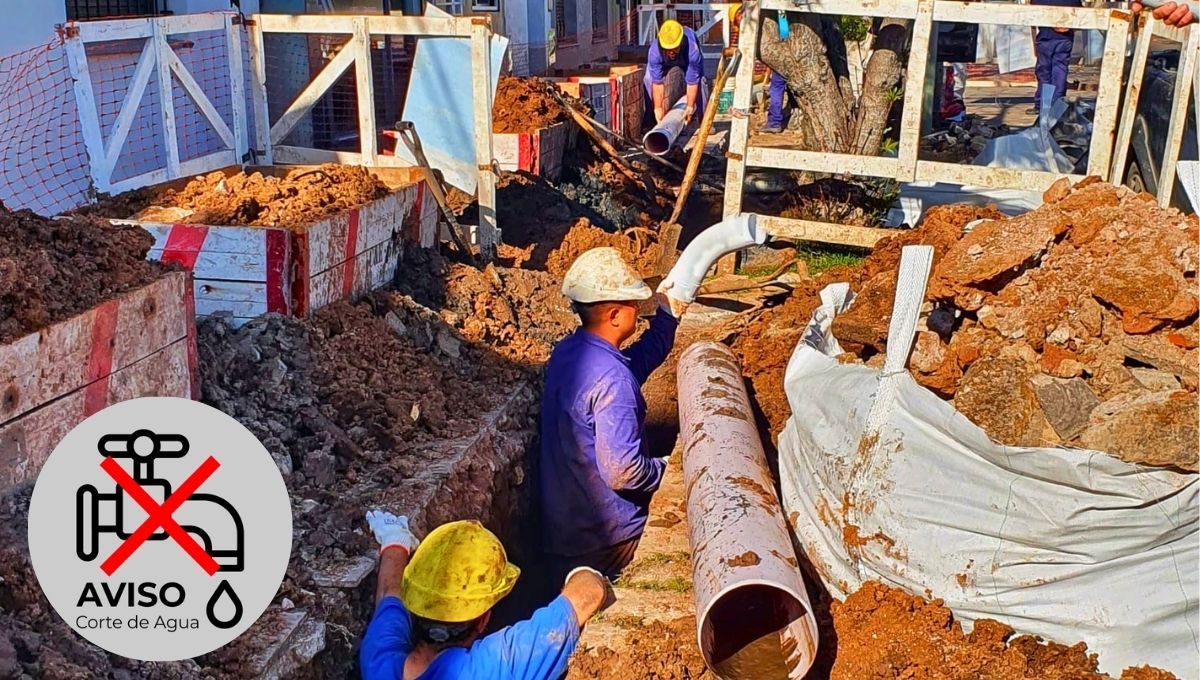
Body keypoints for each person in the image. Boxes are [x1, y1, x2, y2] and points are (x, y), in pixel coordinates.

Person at [538, 248, 687, 583]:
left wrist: (667, 320)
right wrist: (668, 471)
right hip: (607, 539)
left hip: (563, 531)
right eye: (635, 306)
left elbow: (635, 363)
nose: (639, 311)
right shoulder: (613, 381)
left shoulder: (571, 352)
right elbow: (624, 471)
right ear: (616, 315)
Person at [359, 511, 615, 679]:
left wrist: (395, 542)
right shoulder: (494, 666)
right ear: (483, 620)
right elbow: (588, 593)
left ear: (411, 607)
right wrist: (582, 571)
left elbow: (389, 592)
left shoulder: (377, 659)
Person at [729, 4, 788, 133]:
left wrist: (783, 44)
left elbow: (784, 30)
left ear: (740, 15)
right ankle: (783, 117)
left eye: (736, 21)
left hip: (784, 56)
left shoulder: (771, 19)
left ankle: (775, 122)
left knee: (776, 88)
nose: (738, 25)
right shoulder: (771, 18)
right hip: (783, 54)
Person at [645, 19, 708, 125]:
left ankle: (704, 122)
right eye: (667, 49)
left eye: (674, 48)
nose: (671, 52)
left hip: (686, 59)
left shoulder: (692, 51)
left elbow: (692, 82)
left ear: (681, 41)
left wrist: (690, 106)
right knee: (648, 79)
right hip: (662, 59)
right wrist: (658, 108)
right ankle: (650, 120)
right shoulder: (655, 52)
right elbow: (657, 83)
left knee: (700, 81)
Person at [1030, 0, 1082, 116]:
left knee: (1045, 71)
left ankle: (1043, 105)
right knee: (1060, 69)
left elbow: (1033, 9)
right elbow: (1079, 8)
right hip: (1065, 35)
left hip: (1047, 34)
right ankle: (1057, 103)